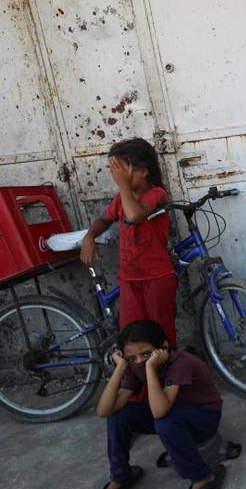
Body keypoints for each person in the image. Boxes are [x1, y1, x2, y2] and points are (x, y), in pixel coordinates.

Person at [92, 320, 226, 489]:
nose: (139, 361)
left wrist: (149, 369)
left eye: (146, 354)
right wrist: (120, 368)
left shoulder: (181, 362)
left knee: (164, 421)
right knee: (118, 415)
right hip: (172, 412)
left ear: (163, 347)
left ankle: (202, 477)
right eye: (131, 358)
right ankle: (120, 476)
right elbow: (104, 411)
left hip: (203, 418)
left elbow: (160, 412)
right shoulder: (134, 364)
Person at [80, 138, 178, 346]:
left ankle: (165, 377)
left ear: (143, 171)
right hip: (129, 280)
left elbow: (135, 215)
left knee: (161, 338)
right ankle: (141, 378)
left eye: (122, 170)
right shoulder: (120, 200)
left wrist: (123, 185)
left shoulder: (157, 194)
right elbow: (104, 220)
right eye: (114, 171)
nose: (117, 176)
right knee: (132, 340)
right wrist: (89, 237)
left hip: (157, 278)